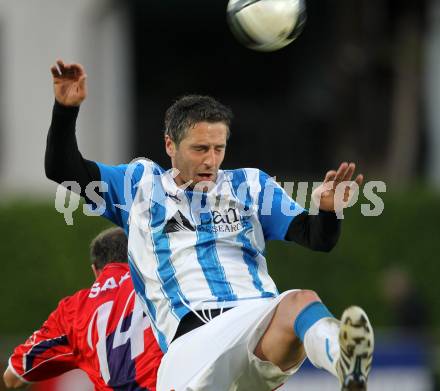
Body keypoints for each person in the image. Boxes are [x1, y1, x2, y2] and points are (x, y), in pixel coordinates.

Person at [44, 59, 374, 391]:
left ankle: (345, 362)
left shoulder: (251, 186)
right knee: (294, 304)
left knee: (301, 301)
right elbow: (63, 168)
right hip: (192, 344)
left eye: (219, 148)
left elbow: (317, 238)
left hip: (254, 325)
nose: (211, 160)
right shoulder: (140, 185)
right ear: (170, 145)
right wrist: (65, 110)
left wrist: (329, 211)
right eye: (200, 148)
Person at [3, 227, 163, 390]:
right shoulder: (160, 282)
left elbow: (12, 377)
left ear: (95, 270)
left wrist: (75, 354)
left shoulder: (72, 311)